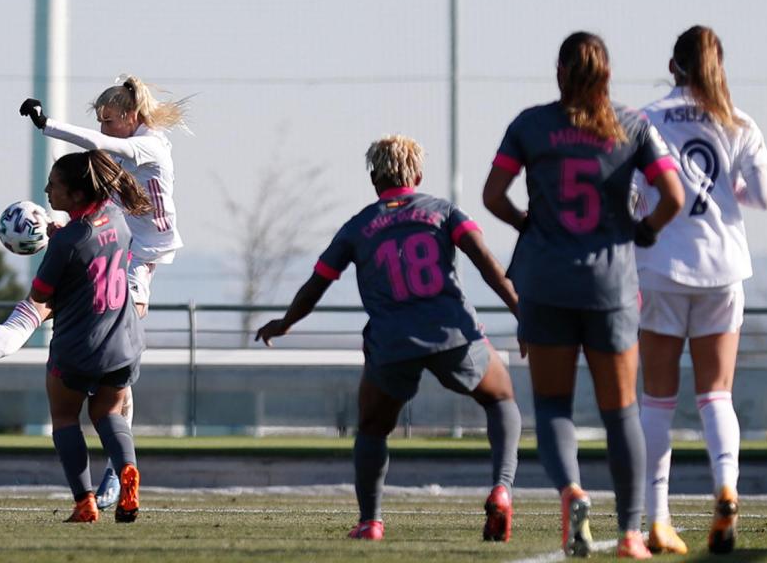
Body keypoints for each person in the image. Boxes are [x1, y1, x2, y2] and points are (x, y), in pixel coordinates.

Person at [256, 135, 523, 543]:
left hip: (392, 342)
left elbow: (317, 283)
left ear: (373, 179)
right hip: (452, 333)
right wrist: (522, 311)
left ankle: (371, 522)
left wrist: (286, 322)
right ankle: (502, 489)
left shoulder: (358, 226)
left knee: (372, 429)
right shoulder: (444, 212)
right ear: (418, 176)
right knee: (501, 398)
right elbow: (487, 263)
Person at [482, 32, 684, 559]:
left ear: (559, 72)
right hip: (610, 287)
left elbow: (492, 195)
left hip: (546, 283)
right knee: (622, 412)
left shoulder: (530, 125)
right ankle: (632, 533)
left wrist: (526, 223)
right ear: (607, 75)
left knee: (553, 407)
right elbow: (674, 194)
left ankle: (571, 491)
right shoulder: (632, 125)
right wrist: (644, 231)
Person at [0, 150, 149, 524]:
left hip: (80, 347)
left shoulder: (67, 243)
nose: (46, 191)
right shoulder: (117, 218)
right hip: (123, 343)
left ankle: (85, 503)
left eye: (54, 185)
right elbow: (93, 248)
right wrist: (64, 237)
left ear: (76, 194)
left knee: (65, 417)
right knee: (108, 413)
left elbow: (40, 296)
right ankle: (127, 472)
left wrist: (57, 245)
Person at [634, 26, 767, 556]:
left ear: (673, 67)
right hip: (724, 267)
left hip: (661, 267)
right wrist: (731, 191)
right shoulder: (740, 121)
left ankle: (658, 518)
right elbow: (764, 195)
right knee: (716, 394)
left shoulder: (645, 119)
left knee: (658, 398)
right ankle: (726, 488)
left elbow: (630, 195)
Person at [19, 75, 187, 508]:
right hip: (127, 246)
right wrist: (66, 228)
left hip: (141, 254)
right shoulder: (128, 147)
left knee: (119, 343)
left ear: (131, 116)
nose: (103, 128)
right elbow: (103, 200)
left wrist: (47, 125)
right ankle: (120, 463)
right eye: (101, 121)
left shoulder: (149, 145)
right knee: (117, 360)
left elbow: (97, 146)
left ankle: (113, 473)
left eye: (109, 121)